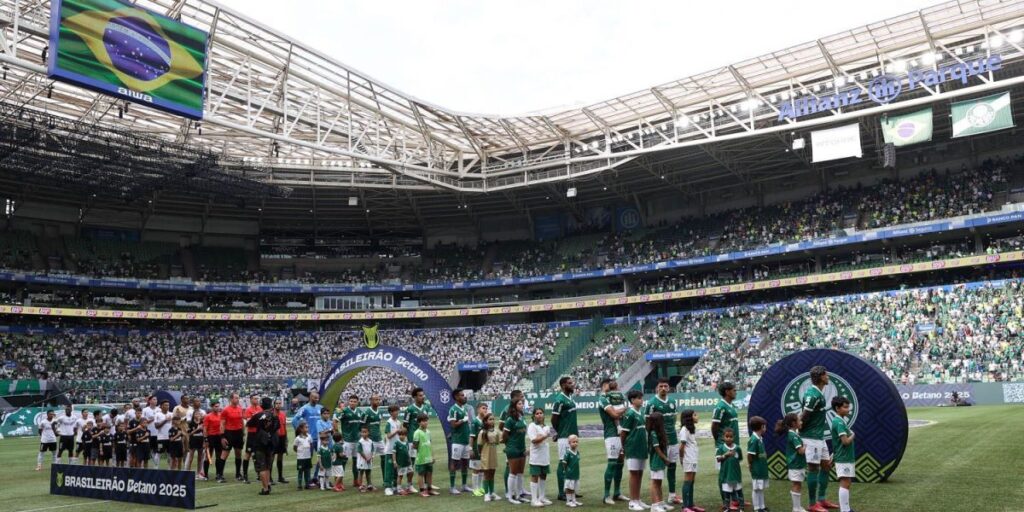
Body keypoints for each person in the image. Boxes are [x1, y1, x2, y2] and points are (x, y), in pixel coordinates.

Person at [801, 367, 839, 512]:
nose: (828, 377)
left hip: (819, 437)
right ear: (821, 377)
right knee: (813, 469)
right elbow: (804, 416)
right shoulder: (812, 394)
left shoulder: (818, 393)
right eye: (826, 375)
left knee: (826, 466)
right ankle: (812, 504)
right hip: (811, 438)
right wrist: (798, 431)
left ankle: (821, 500)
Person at [645, 378, 679, 504]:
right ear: (657, 388)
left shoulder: (672, 402)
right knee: (659, 470)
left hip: (673, 439)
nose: (663, 388)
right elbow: (647, 423)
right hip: (660, 442)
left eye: (665, 386)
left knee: (672, 466)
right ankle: (658, 500)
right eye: (661, 386)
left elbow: (674, 419)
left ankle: (672, 495)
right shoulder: (651, 403)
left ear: (669, 388)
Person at [712, 382, 740, 508]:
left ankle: (735, 499)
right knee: (724, 474)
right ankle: (726, 502)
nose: (736, 391)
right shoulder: (720, 407)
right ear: (727, 391)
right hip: (724, 447)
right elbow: (714, 427)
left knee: (732, 472)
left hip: (733, 446)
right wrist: (720, 442)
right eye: (734, 390)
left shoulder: (731, 405)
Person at [598, 378, 627, 504]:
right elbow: (614, 414)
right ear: (604, 386)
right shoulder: (602, 399)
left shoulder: (617, 397)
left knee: (620, 462)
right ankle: (606, 495)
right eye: (609, 385)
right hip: (611, 434)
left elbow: (622, 409)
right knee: (612, 463)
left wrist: (622, 409)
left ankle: (617, 492)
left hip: (622, 433)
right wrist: (624, 409)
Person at [551, 376, 580, 502]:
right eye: (569, 383)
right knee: (563, 463)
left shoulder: (570, 398)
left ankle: (571, 490)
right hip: (564, 437)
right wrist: (560, 432)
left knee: (572, 463)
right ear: (563, 385)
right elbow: (554, 419)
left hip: (572, 435)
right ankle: (561, 492)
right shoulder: (559, 400)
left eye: (572, 382)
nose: (572, 384)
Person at [620, 389, 649, 511]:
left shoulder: (640, 412)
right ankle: (632, 501)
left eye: (642, 398)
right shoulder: (629, 414)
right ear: (633, 400)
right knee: (633, 474)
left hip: (642, 447)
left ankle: (638, 499)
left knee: (640, 474)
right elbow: (623, 433)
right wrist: (624, 448)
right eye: (639, 398)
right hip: (632, 448)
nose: (642, 400)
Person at [247, 397, 280, 496]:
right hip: (271, 443)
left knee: (262, 467)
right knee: (268, 465)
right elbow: (277, 427)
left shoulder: (258, 415)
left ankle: (265, 488)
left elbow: (249, 424)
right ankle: (268, 484)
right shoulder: (275, 415)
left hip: (260, 443)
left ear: (262, 404)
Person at [404, 387, 435, 491]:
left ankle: (427, 484)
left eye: (423, 395)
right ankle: (409, 485)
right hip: (413, 440)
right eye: (420, 395)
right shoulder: (410, 409)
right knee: (412, 462)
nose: (423, 397)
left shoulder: (426, 407)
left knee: (426, 461)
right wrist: (409, 438)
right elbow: (405, 425)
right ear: (415, 397)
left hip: (424, 438)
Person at [775, 412, 807, 512]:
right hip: (795, 465)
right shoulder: (793, 436)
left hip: (796, 464)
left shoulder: (793, 434)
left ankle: (797, 507)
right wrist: (805, 446)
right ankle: (796, 508)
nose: (801, 422)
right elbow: (800, 451)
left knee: (797, 485)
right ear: (793, 423)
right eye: (799, 420)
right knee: (796, 485)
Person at [292, 391, 324, 488]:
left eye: (317, 398)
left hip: (319, 438)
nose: (316, 399)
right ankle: (308, 480)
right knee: (307, 460)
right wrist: (300, 432)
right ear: (310, 397)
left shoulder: (320, 408)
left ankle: (316, 477)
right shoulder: (305, 408)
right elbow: (294, 420)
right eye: (314, 397)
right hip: (309, 439)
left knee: (321, 458)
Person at [830, 397, 856, 512]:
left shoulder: (839, 420)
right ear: (837, 408)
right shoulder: (839, 422)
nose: (848, 410)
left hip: (844, 456)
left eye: (848, 407)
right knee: (845, 482)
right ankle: (845, 510)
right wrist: (853, 435)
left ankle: (846, 509)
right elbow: (845, 441)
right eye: (845, 407)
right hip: (843, 457)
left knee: (847, 482)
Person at [500, 389, 526, 500]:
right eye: (521, 399)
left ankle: (519, 493)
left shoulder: (521, 416)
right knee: (511, 470)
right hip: (512, 447)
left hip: (520, 447)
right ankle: (509, 493)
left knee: (519, 472)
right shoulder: (508, 414)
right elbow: (502, 429)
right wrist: (508, 443)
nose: (523, 401)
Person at [527, 407, 553, 507]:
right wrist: (545, 436)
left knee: (543, 475)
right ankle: (534, 499)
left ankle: (542, 497)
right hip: (536, 456)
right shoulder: (532, 426)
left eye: (541, 413)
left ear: (544, 415)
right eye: (537, 413)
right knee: (535, 476)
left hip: (545, 456)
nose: (539, 415)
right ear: (533, 415)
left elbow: (542, 439)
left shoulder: (546, 427)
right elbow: (534, 440)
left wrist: (544, 437)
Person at [678, 410, 704, 512]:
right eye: (695, 415)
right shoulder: (684, 430)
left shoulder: (691, 429)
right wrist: (681, 459)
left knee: (692, 481)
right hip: (688, 458)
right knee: (688, 481)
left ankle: (691, 505)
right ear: (689, 417)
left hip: (693, 458)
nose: (697, 416)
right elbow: (681, 447)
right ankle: (685, 506)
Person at [447, 388, 471, 495]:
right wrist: (463, 420)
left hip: (465, 439)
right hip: (457, 440)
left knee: (465, 463)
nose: (464, 397)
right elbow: (453, 425)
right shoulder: (453, 409)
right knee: (455, 463)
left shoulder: (463, 408)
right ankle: (452, 487)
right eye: (461, 395)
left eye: (463, 395)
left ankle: (464, 485)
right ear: (456, 397)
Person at [716, 428, 744, 512]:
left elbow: (739, 459)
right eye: (727, 436)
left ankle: (741, 507)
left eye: (730, 437)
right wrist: (725, 455)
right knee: (726, 492)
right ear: (723, 437)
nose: (729, 438)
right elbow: (718, 459)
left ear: (734, 437)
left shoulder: (738, 448)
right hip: (726, 474)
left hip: (736, 474)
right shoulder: (721, 448)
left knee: (739, 490)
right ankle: (727, 507)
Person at [337, 395, 362, 488]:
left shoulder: (359, 412)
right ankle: (340, 482)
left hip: (357, 441)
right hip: (347, 441)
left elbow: (361, 426)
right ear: (348, 402)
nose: (352, 403)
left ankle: (355, 481)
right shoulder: (344, 411)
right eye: (351, 401)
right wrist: (339, 436)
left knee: (356, 462)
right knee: (344, 461)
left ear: (357, 402)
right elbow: (335, 421)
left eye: (354, 401)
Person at [647, 412, 670, 512]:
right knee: (655, 483)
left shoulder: (659, 432)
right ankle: (654, 505)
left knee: (659, 482)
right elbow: (657, 449)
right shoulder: (653, 433)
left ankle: (660, 502)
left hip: (660, 461)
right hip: (656, 461)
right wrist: (665, 459)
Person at [477, 412, 502, 502]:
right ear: (485, 421)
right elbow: (479, 445)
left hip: (493, 455)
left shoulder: (495, 431)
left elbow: (498, 442)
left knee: (492, 473)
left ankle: (492, 492)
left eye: (493, 419)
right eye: (490, 419)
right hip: (485, 455)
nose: (492, 421)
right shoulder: (482, 432)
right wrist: (481, 455)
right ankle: (486, 493)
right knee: (486, 474)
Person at [221, 393, 246, 482]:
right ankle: (220, 475)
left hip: (238, 433)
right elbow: (222, 424)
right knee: (225, 454)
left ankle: (238, 474)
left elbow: (241, 422)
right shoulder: (225, 410)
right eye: (236, 398)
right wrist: (222, 436)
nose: (238, 399)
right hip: (229, 433)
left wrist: (243, 433)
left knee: (238, 453)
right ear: (231, 399)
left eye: (238, 398)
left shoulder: (240, 409)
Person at [748, 416, 770, 512]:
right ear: (762, 427)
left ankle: (762, 506)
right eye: (765, 426)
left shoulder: (759, 438)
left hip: (762, 468)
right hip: (757, 469)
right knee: (756, 489)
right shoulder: (754, 440)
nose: (766, 428)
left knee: (760, 488)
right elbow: (750, 455)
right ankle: (757, 508)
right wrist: (751, 465)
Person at [413, 413, 438, 497]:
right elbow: (415, 446)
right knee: (421, 474)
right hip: (421, 458)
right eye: (423, 421)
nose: (426, 423)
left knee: (429, 473)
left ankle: (429, 489)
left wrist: (433, 456)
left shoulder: (428, 432)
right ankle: (422, 490)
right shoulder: (417, 433)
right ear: (419, 422)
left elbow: (430, 444)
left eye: (426, 421)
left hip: (429, 457)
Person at [365, 394, 386, 489]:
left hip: (379, 439)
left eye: (378, 400)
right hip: (371, 440)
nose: (377, 401)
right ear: (371, 401)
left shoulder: (379, 412)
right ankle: (369, 483)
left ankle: (386, 480)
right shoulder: (367, 412)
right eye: (375, 400)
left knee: (385, 458)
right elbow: (361, 426)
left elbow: (378, 424)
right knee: (369, 461)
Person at [242, 394, 263, 484]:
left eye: (257, 398)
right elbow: (249, 423)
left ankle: (259, 474)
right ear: (250, 400)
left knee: (258, 454)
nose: (257, 400)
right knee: (248, 454)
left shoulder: (260, 409)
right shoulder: (248, 410)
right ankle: (245, 476)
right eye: (255, 398)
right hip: (252, 434)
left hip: (259, 433)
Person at [383, 405, 404, 496]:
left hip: (397, 450)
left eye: (397, 411)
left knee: (397, 469)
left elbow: (400, 435)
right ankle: (387, 487)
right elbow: (388, 436)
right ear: (391, 413)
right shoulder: (389, 422)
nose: (397, 412)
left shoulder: (398, 422)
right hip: (390, 450)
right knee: (389, 469)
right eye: (395, 411)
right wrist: (397, 431)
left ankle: (395, 486)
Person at [204, 401, 226, 482]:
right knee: (208, 457)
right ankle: (206, 475)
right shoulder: (208, 416)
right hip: (210, 437)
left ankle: (218, 474)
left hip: (219, 437)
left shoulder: (221, 415)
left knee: (219, 456)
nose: (218, 408)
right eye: (216, 406)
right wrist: (205, 439)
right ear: (212, 407)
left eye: (218, 406)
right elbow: (205, 428)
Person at [469, 402, 488, 497]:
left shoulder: (485, 422)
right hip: (477, 449)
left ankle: (480, 487)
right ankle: (474, 488)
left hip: (484, 449)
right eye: (483, 408)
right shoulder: (475, 422)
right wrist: (470, 449)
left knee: (481, 469)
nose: (485, 410)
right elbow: (472, 437)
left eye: (486, 408)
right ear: (478, 409)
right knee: (476, 469)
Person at [560, 434, 582, 508]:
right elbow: (564, 463)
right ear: (569, 443)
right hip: (569, 474)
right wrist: (566, 470)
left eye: (576, 441)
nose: (575, 443)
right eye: (573, 442)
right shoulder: (568, 453)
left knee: (574, 488)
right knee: (569, 488)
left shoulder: (577, 452)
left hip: (575, 474)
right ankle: (569, 501)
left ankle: (574, 500)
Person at [187, 408, 207, 480]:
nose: (198, 415)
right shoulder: (191, 423)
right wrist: (197, 429)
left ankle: (198, 473)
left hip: (200, 441)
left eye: (199, 414)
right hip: (193, 441)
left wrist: (205, 441)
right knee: (191, 458)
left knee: (200, 458)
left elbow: (204, 432)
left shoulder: (202, 422)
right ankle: (188, 473)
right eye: (196, 414)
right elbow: (189, 434)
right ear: (193, 415)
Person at [293, 421, 313, 491]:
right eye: (306, 427)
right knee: (300, 472)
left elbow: (311, 445)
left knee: (307, 471)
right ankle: (299, 485)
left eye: (308, 427)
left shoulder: (309, 436)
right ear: (301, 429)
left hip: (308, 457)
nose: (307, 429)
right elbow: (295, 447)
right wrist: (299, 452)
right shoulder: (298, 438)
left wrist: (310, 453)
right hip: (301, 458)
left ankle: (307, 484)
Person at [274, 399, 289, 484]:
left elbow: (284, 426)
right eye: (277, 403)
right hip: (274, 437)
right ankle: (270, 478)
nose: (278, 405)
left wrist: (286, 439)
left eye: (280, 403)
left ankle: (280, 476)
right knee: (271, 457)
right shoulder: (272, 414)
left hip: (282, 437)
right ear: (274, 405)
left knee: (280, 457)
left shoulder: (283, 414)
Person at [394, 427, 413, 495]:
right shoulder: (397, 443)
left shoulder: (406, 442)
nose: (401, 436)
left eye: (403, 435)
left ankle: (408, 487)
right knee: (400, 475)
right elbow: (394, 453)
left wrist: (410, 459)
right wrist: (394, 461)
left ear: (405, 435)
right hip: (401, 463)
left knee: (411, 472)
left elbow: (407, 452)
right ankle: (399, 489)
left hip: (407, 462)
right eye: (400, 435)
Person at [154, 400, 173, 469]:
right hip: (161, 438)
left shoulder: (171, 414)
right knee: (158, 452)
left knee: (170, 453)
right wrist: (165, 420)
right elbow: (156, 426)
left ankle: (169, 468)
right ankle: (156, 467)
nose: (167, 406)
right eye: (165, 405)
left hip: (170, 438)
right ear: (161, 406)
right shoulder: (157, 414)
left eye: (168, 405)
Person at [356, 426, 376, 491]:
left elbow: (372, 450)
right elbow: (360, 451)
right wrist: (366, 458)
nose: (364, 433)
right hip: (362, 460)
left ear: (368, 433)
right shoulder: (360, 442)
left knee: (368, 471)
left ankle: (369, 485)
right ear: (361, 433)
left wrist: (371, 457)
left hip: (369, 459)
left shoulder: (370, 441)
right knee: (361, 472)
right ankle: (360, 486)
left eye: (365, 432)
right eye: (362, 432)